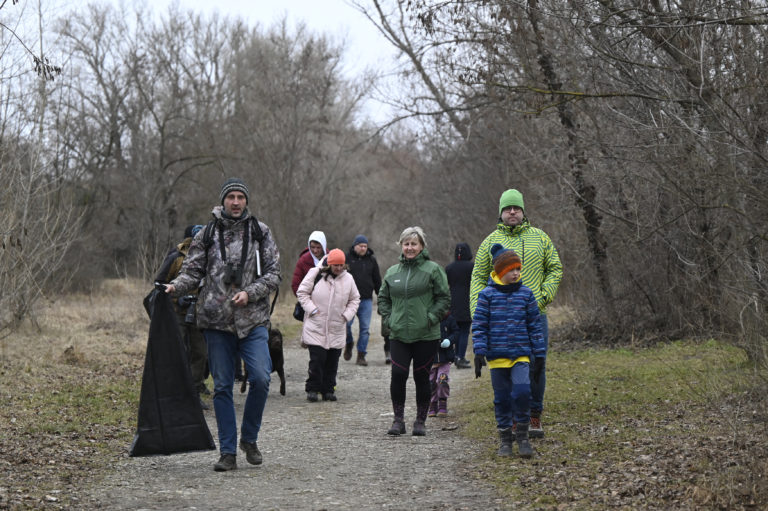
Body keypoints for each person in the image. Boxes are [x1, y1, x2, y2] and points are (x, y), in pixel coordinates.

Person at [164, 177, 281, 472]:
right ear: (223, 200)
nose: (236, 202)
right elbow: (192, 271)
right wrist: (174, 287)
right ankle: (228, 452)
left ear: (246, 201)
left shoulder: (260, 232)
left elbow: (274, 274)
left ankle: (249, 438)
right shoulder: (207, 233)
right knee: (222, 388)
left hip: (253, 320)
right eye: (232, 197)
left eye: (241, 197)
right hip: (216, 322)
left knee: (262, 378)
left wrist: (250, 292)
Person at [469, 189, 562, 439]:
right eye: (508, 208)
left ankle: (534, 415)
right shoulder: (489, 243)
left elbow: (555, 268)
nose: (512, 212)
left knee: (535, 366)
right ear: (501, 212)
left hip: (533, 316)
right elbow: (477, 278)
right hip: (498, 317)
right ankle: (511, 419)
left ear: (523, 211)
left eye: (517, 208)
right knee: (504, 368)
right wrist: (479, 311)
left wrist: (543, 296)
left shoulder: (540, 238)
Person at [473, 244, 545, 458]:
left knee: (522, 393)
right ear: (501, 270)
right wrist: (479, 352)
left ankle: (522, 436)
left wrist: (539, 353)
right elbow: (479, 325)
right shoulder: (487, 295)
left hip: (520, 355)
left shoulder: (526, 294)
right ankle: (505, 440)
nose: (516, 273)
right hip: (497, 357)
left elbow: (535, 325)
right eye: (511, 269)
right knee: (502, 398)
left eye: (518, 269)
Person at [378, 226, 450, 437]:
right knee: (398, 374)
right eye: (406, 244)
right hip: (399, 333)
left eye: (414, 244)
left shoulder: (433, 269)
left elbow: (444, 298)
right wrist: (390, 318)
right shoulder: (392, 272)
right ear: (401, 246)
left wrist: (431, 318)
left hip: (426, 334)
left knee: (422, 377)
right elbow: (383, 298)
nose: (410, 248)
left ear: (421, 246)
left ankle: (420, 421)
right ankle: (398, 420)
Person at [154, 224, 209, 410]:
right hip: (176, 312)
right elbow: (159, 282)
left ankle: (194, 393)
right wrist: (177, 295)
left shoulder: (211, 256)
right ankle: (174, 393)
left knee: (200, 354)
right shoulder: (176, 257)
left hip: (200, 313)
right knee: (177, 352)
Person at [297, 248, 360, 402]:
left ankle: (328, 390)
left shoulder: (349, 279)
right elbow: (302, 293)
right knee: (317, 360)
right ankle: (313, 388)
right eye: (335, 265)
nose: (338, 268)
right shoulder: (315, 273)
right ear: (329, 264)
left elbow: (355, 299)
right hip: (316, 325)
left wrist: (347, 315)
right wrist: (312, 310)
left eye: (341, 265)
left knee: (332, 361)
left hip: (337, 326)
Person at [344, 234, 382, 366]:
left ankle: (361, 355)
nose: (363, 248)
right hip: (348, 300)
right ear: (355, 246)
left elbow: (377, 280)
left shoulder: (371, 260)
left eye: (365, 246)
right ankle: (348, 343)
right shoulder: (346, 258)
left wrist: (381, 297)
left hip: (366, 300)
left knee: (365, 329)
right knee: (346, 325)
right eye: (361, 246)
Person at [445, 242, 474, 369]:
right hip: (468, 301)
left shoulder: (449, 268)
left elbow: (445, 285)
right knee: (464, 331)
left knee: (454, 330)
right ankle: (460, 357)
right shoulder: (472, 267)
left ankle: (455, 356)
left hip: (453, 302)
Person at [429, 312, 459, 418]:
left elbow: (456, 333)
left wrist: (449, 340)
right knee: (431, 383)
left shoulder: (449, 319)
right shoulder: (427, 318)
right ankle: (432, 404)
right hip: (430, 359)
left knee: (442, 380)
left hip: (445, 358)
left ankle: (442, 402)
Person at [292, 231, 327, 296]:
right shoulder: (303, 261)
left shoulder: (331, 258)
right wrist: (305, 300)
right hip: (308, 300)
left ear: (323, 246)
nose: (315, 251)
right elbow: (296, 284)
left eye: (318, 247)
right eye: (312, 247)